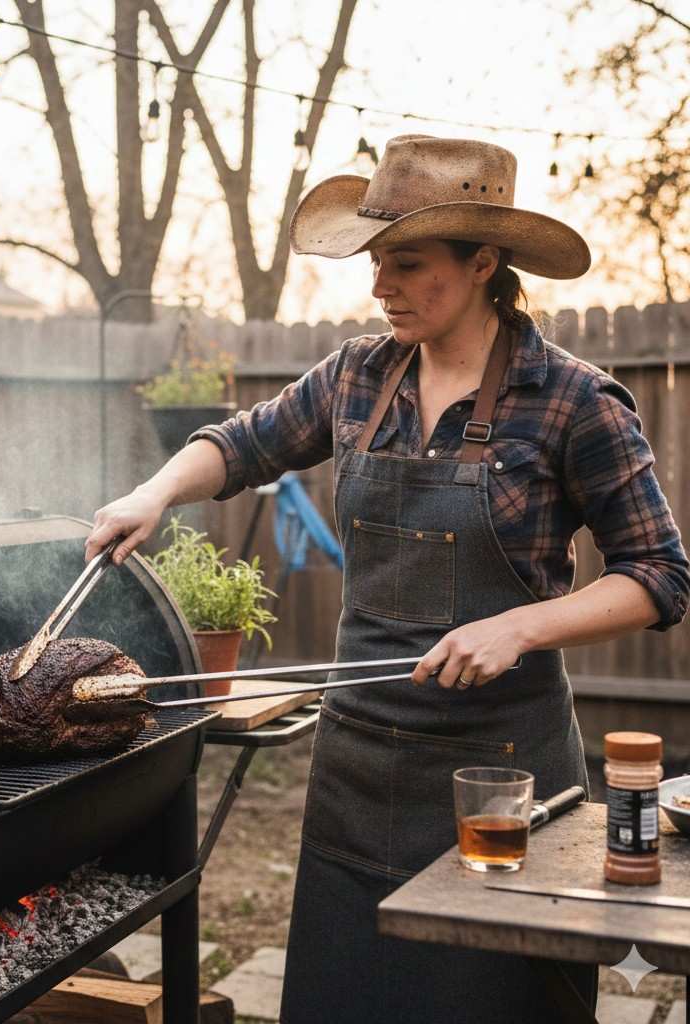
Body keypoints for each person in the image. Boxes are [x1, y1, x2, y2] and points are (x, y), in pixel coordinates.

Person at [84, 135, 689, 1022]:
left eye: (406, 264)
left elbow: (661, 576)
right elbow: (241, 444)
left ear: (484, 262)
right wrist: (154, 493)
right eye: (377, 263)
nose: (380, 287)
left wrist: (521, 627)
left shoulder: (573, 400)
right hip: (357, 776)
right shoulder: (356, 377)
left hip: (503, 783)